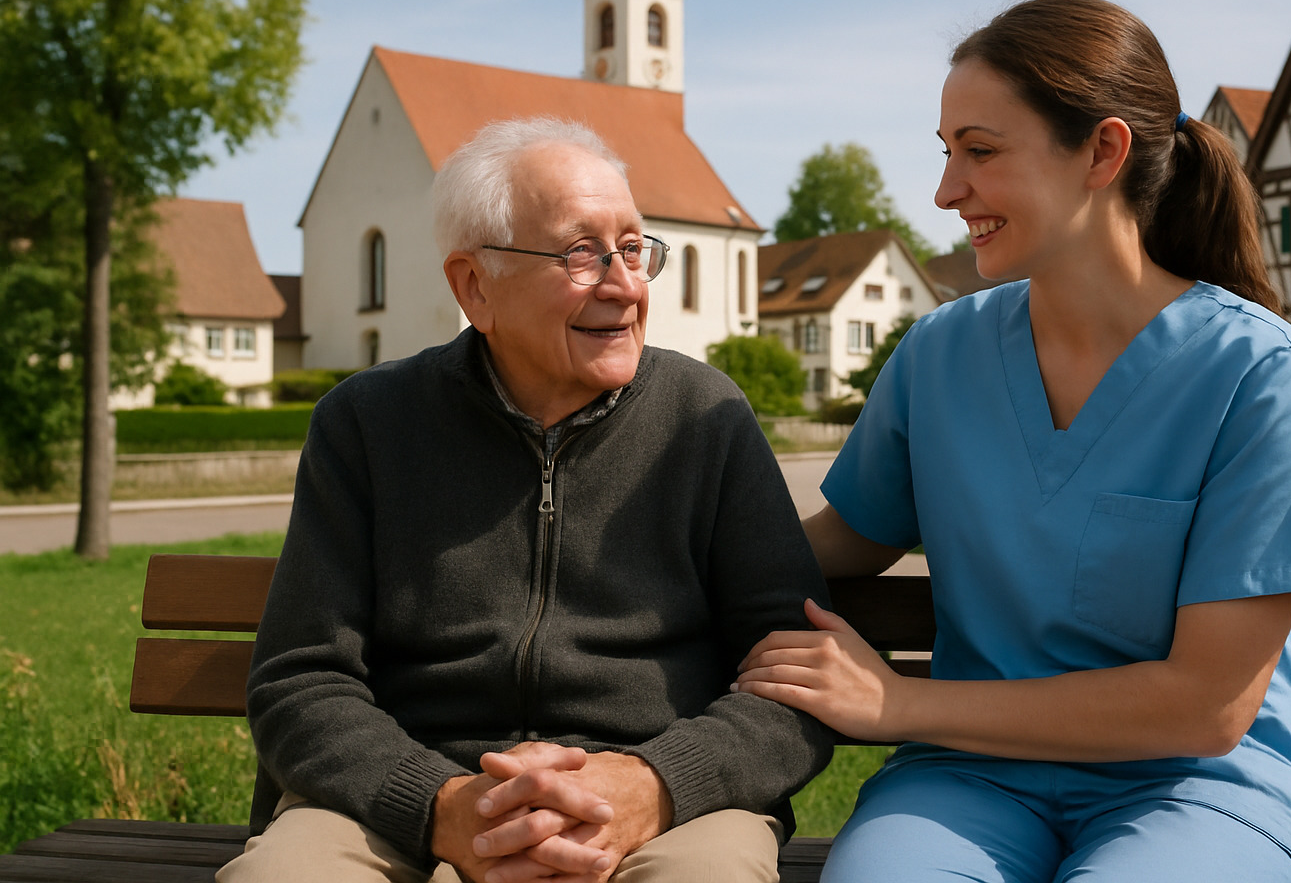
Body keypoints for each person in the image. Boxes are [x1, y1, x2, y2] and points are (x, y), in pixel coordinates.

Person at [734, 0, 1291, 883]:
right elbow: (855, 536)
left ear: (1103, 152)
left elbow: (1206, 709)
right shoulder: (941, 353)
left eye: (980, 152)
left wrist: (902, 702)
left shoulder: (1257, 374)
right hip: (969, 778)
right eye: (947, 152)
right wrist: (679, 563)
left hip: (1196, 786)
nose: (947, 191)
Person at [220, 117, 834, 883]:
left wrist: (654, 785)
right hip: (400, 803)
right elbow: (300, 679)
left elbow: (799, 681)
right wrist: (440, 806)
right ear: (475, 286)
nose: (624, 284)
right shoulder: (367, 424)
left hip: (663, 809)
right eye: (581, 253)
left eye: (634, 249)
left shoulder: (705, 418)